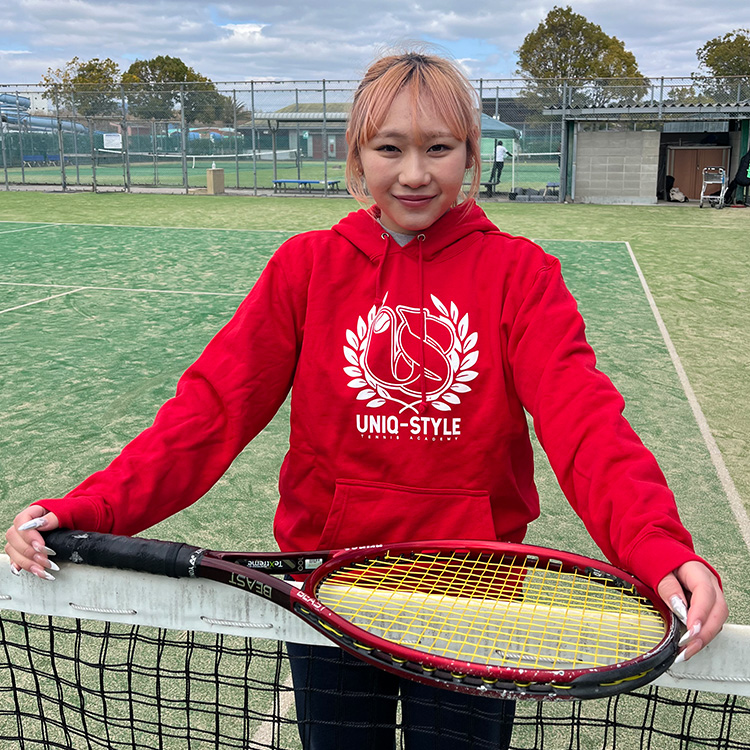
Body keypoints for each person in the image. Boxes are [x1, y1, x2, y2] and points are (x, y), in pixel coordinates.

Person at [5, 51, 726, 749]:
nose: (414, 173)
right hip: (327, 593)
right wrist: (91, 507)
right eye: (389, 148)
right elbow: (212, 408)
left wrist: (654, 542)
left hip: (473, 602)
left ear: (470, 155)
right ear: (357, 156)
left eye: (438, 148)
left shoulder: (522, 275)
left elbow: (585, 422)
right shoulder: (305, 268)